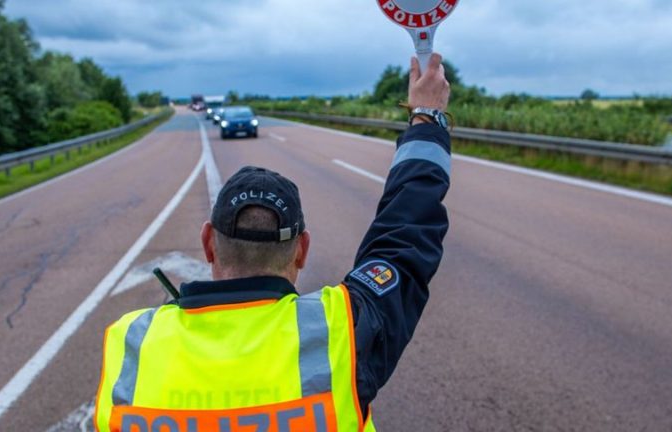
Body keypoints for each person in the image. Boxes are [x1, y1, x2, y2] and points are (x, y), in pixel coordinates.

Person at [94, 53, 451, 432]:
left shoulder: (130, 343)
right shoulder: (339, 331)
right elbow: (405, 235)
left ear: (209, 243)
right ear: (302, 250)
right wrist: (428, 117)